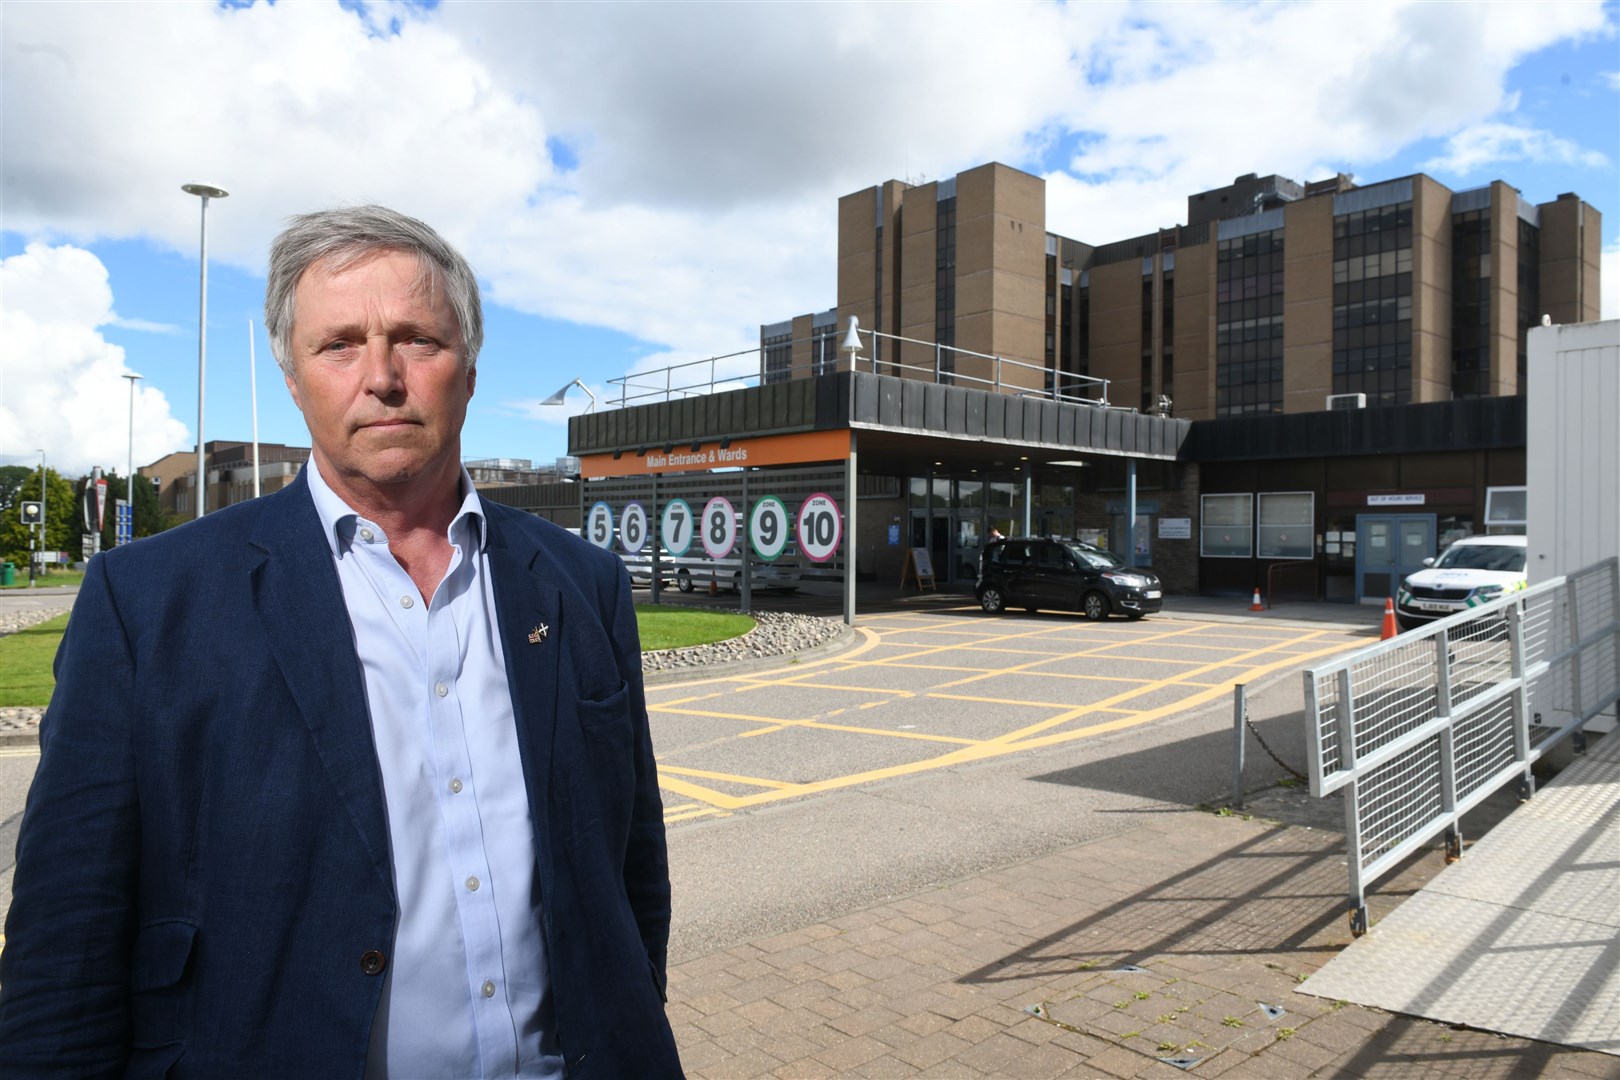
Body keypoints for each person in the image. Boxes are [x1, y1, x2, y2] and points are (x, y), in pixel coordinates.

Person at [0, 206, 682, 1078]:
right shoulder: (147, 604)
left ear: (468, 370)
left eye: (417, 340)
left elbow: (631, 869)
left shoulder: (584, 582)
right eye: (340, 345)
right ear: (293, 378)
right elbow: (66, 952)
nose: (383, 376)